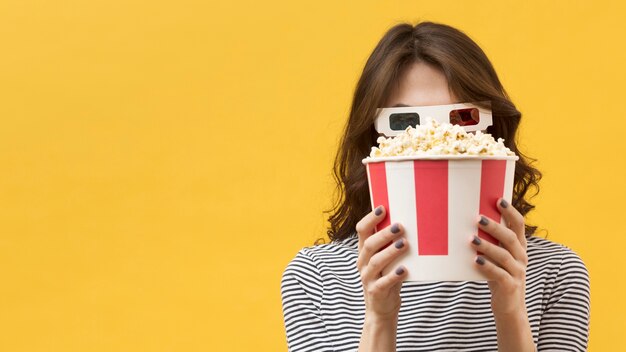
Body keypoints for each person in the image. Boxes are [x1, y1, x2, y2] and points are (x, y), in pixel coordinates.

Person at [281, 22, 590, 352]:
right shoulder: (316, 278)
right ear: (373, 140)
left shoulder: (555, 272)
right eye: (404, 123)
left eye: (461, 118)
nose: (434, 142)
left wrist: (510, 310)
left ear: (493, 133)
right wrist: (379, 320)